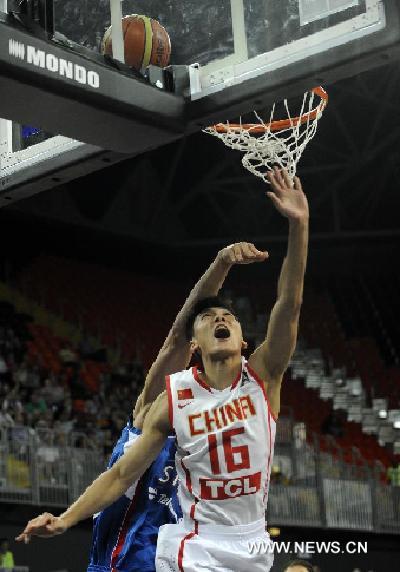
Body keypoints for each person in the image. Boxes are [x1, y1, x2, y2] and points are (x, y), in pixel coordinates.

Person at [18, 167, 309, 572]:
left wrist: (300, 225)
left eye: (228, 317)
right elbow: (120, 474)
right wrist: (222, 262)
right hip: (140, 553)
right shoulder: (166, 399)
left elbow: (289, 306)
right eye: (208, 320)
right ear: (195, 341)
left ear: (244, 341)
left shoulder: (259, 379)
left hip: (226, 541)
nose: (218, 319)